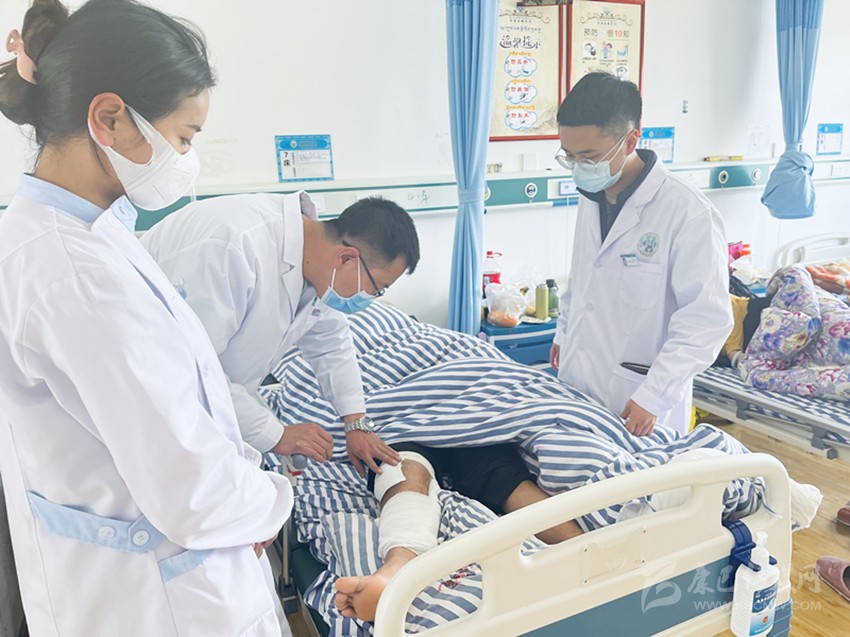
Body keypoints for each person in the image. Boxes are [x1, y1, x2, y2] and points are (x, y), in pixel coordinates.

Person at [0, 1, 292, 635]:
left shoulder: (86, 233)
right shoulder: (75, 276)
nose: (186, 157)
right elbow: (193, 491)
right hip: (156, 597)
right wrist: (271, 502)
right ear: (109, 118)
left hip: (154, 568)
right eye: (184, 137)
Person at [141, 194, 418, 476]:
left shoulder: (316, 263)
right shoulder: (233, 246)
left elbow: (330, 343)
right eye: (376, 288)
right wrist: (276, 434)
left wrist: (355, 423)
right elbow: (189, 370)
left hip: (206, 397)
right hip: (150, 398)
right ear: (346, 258)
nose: (370, 298)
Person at [549, 72, 733, 436]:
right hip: (579, 380)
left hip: (640, 395)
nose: (579, 167)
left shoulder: (687, 213)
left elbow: (705, 320)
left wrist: (654, 395)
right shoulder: (592, 199)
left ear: (631, 140)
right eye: (570, 156)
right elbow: (582, 280)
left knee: (640, 472)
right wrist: (563, 333)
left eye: (589, 156)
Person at [333, 443, 585, 622]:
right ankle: (582, 547)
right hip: (405, 426)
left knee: (408, 473)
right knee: (400, 470)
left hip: (471, 422)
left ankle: (396, 567)